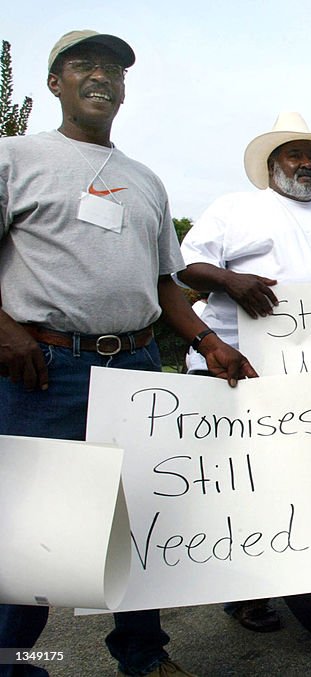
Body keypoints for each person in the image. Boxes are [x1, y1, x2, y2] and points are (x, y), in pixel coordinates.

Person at [0, 30, 255, 677]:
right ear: (55, 82)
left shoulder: (145, 182)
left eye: (112, 69)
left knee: (136, 518)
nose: (100, 77)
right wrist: (3, 326)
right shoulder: (16, 157)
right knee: (36, 536)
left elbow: (167, 284)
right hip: (45, 371)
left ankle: (143, 655)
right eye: (83, 65)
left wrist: (208, 339)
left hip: (137, 367)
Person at [176, 112, 311, 632]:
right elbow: (185, 265)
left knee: (303, 484)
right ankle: (242, 592)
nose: (305, 163)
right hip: (234, 366)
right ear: (272, 165)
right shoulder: (236, 209)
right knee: (242, 487)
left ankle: (301, 579)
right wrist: (231, 280)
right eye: (294, 155)